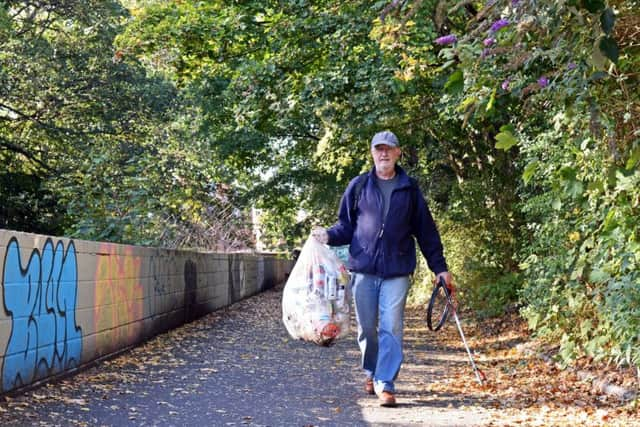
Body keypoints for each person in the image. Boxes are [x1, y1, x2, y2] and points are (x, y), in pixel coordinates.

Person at [311, 130, 453, 408]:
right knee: (367, 328)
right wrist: (328, 235)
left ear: (398, 153)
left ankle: (385, 382)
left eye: (389, 149)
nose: (384, 154)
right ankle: (371, 371)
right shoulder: (359, 185)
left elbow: (426, 232)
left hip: (397, 270)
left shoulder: (409, 189)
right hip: (363, 269)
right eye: (379, 149)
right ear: (372, 153)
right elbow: (345, 226)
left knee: (391, 326)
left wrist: (440, 268)